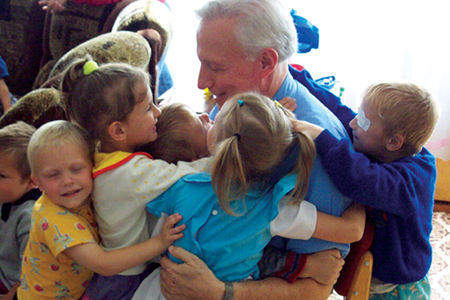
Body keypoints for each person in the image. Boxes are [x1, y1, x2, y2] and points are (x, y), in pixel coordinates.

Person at [159, 1, 353, 299]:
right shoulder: (235, 109)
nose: (201, 82)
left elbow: (317, 285)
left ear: (265, 62)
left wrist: (222, 291)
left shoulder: (311, 147)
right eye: (201, 62)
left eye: (215, 66)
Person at [132, 93, 365, 300]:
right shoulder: (274, 208)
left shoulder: (180, 186)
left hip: (163, 290)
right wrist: (361, 190)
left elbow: (151, 239)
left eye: (213, 119)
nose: (207, 116)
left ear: (217, 146)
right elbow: (352, 230)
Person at [59, 56, 211, 300]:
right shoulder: (129, 173)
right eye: (149, 108)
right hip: (125, 276)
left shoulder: (104, 158)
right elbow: (187, 172)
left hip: (121, 270)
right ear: (118, 131)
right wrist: (224, 151)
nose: (158, 111)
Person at [293, 82, 439, 299]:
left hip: (395, 285)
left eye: (362, 120)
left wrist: (320, 135)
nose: (353, 122)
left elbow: (358, 179)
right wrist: (295, 76)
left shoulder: (410, 182)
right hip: (378, 268)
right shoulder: (384, 146)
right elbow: (340, 110)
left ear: (393, 142)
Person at [16, 120, 186, 300]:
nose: (67, 181)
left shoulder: (83, 192)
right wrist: (160, 242)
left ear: (92, 165)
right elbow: (105, 264)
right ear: (36, 183)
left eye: (76, 169)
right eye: (53, 175)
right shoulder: (52, 219)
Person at [0, 122, 40, 299]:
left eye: (1, 176)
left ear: (32, 181)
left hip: (8, 282)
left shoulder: (29, 215)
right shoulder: (7, 194)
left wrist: (12, 294)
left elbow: (31, 270)